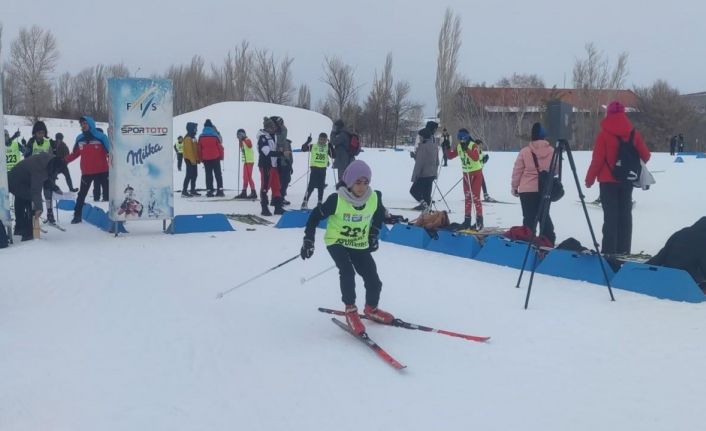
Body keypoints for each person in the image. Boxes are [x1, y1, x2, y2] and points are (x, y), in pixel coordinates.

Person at [300, 160, 392, 335]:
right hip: (337, 242)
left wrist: (373, 234)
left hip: (359, 244)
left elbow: (379, 214)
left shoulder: (374, 197)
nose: (361, 187)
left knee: (373, 279)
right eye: (357, 182)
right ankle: (350, 310)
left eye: (365, 183)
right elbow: (314, 217)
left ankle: (371, 309)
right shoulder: (337, 200)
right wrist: (308, 240)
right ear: (349, 182)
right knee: (347, 272)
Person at [585, 100, 650, 255]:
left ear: (609, 113)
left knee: (610, 218)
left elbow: (598, 160)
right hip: (626, 181)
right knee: (625, 215)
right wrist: (629, 165)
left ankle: (609, 251)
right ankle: (624, 250)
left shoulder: (603, 135)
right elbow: (646, 155)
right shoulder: (634, 134)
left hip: (608, 182)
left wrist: (590, 179)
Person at [511, 122, 556, 244]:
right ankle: (548, 241)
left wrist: (514, 187)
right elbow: (556, 170)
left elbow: (517, 170)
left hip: (527, 191)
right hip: (544, 189)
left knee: (529, 218)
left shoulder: (525, 151)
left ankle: (527, 242)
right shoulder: (552, 151)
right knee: (544, 216)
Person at [8, 152, 65, 241]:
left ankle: (19, 228)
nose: (56, 173)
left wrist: (55, 188)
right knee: (30, 201)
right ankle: (28, 233)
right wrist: (39, 208)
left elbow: (47, 177)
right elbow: (35, 190)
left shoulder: (49, 160)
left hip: (17, 178)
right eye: (56, 171)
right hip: (17, 181)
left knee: (21, 200)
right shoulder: (39, 168)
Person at [65, 116, 111, 224]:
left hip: (103, 171)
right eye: (82, 124)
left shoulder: (101, 137)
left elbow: (110, 153)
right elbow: (75, 154)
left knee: (109, 195)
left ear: (91, 124)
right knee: (81, 195)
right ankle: (77, 216)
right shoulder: (79, 138)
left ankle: (116, 218)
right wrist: (63, 161)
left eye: (85, 123)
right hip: (87, 173)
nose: (83, 125)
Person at [647, 217, 706, 291]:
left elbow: (661, 256)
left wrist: (643, 269)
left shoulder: (681, 232)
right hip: (688, 281)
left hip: (667, 274)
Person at [445, 128, 484, 230]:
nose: (461, 141)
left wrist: (466, 148)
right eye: (460, 139)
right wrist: (447, 146)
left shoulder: (473, 145)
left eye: (463, 138)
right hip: (466, 175)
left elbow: (475, 157)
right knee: (467, 198)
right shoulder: (459, 146)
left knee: (475, 197)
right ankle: (467, 221)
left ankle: (479, 221)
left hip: (476, 174)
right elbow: (450, 156)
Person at [257, 117, 285, 216]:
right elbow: (266, 152)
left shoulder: (273, 136)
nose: (273, 129)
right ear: (267, 128)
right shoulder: (262, 137)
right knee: (265, 186)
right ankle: (264, 208)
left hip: (274, 165)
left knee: (276, 186)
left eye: (274, 127)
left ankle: (278, 207)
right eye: (272, 127)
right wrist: (279, 154)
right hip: (265, 165)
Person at [409, 120, 439, 211]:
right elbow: (436, 160)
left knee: (414, 191)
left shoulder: (423, 146)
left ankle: (425, 206)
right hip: (431, 173)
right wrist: (434, 173)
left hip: (424, 174)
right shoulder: (434, 144)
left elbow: (420, 162)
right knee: (426, 194)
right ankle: (428, 208)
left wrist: (415, 176)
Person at [300, 132, 333, 209]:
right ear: (318, 139)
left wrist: (331, 146)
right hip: (314, 169)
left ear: (326, 140)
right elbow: (303, 149)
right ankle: (305, 201)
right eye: (321, 139)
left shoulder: (327, 147)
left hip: (323, 169)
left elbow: (333, 155)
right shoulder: (313, 146)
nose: (322, 141)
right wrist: (308, 141)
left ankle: (320, 202)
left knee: (321, 186)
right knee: (311, 186)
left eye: (324, 140)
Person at [198, 119, 225, 197]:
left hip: (206, 158)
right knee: (218, 174)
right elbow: (220, 146)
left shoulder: (201, 136)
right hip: (216, 157)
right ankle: (220, 190)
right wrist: (221, 156)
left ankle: (209, 190)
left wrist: (200, 158)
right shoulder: (215, 135)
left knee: (208, 174)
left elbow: (199, 148)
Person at [272, 116, 293, 206]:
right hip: (281, 162)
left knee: (286, 180)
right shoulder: (277, 136)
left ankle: (280, 197)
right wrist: (279, 124)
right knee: (282, 181)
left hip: (286, 162)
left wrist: (290, 164)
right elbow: (284, 131)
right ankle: (277, 199)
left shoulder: (284, 139)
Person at [235, 129, 257, 199]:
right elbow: (242, 148)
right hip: (246, 161)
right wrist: (240, 141)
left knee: (248, 177)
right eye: (237, 136)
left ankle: (253, 192)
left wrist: (243, 139)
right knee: (245, 177)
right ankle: (244, 192)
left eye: (239, 135)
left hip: (249, 161)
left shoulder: (247, 139)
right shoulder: (242, 141)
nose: (238, 137)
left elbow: (250, 145)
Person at [181, 122, 201, 197]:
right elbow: (189, 151)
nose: (196, 130)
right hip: (189, 159)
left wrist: (197, 159)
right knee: (189, 175)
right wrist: (192, 160)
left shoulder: (193, 137)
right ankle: (184, 191)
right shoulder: (188, 138)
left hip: (194, 159)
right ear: (191, 129)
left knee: (194, 175)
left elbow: (195, 149)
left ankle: (193, 190)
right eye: (195, 128)